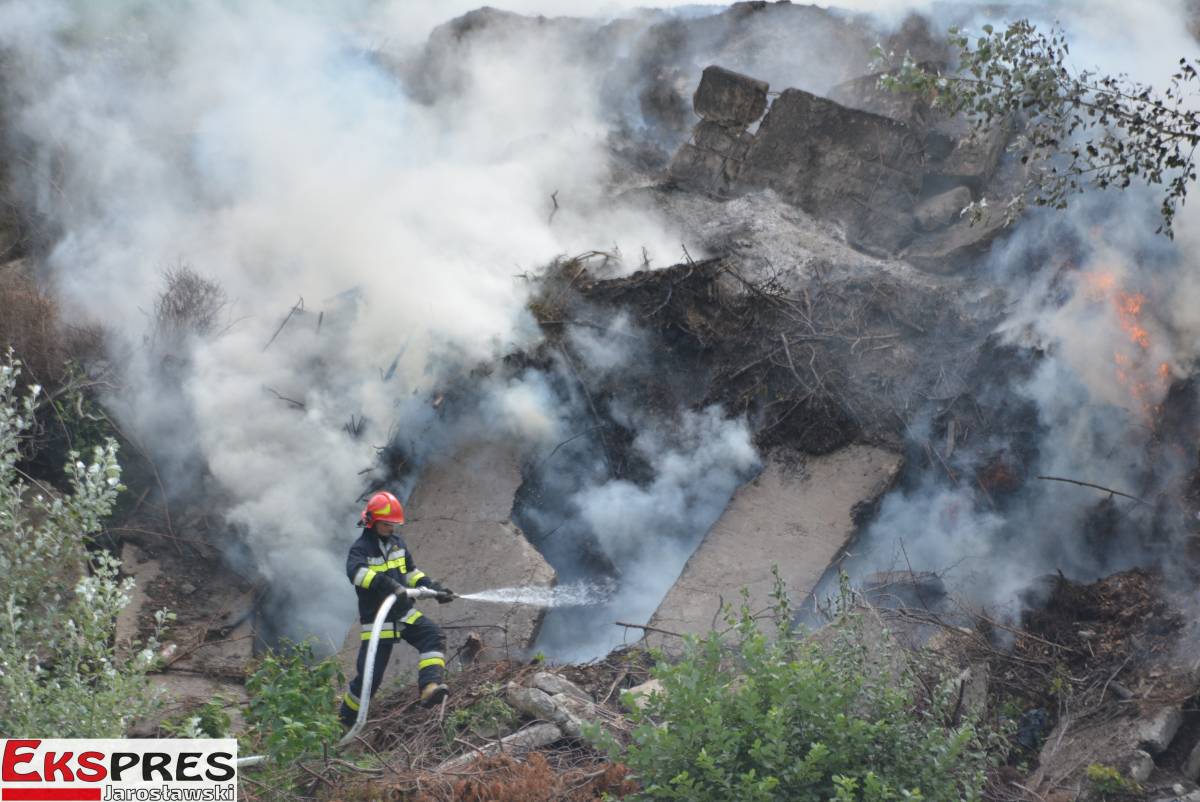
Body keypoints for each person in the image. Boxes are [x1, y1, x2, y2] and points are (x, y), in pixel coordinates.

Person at [339, 490, 454, 727]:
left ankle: (429, 688)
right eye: (386, 524)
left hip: (403, 613)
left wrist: (432, 587)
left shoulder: (397, 544)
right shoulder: (360, 549)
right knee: (369, 681)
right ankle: (343, 723)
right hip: (378, 622)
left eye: (393, 524)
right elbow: (356, 574)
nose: (391, 528)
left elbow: (411, 573)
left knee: (433, 635)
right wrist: (388, 584)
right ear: (371, 521)